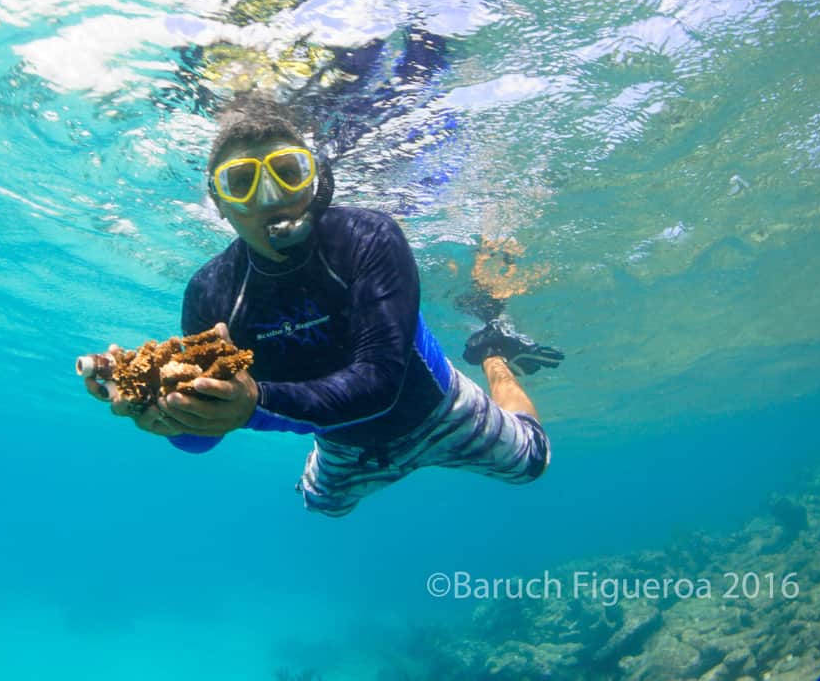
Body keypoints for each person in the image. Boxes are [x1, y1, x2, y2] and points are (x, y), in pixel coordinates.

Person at [84, 95, 563, 517]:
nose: (270, 197)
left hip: (441, 412)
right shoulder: (211, 293)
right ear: (219, 202)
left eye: (288, 173)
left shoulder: (368, 237)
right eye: (241, 182)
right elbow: (202, 438)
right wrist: (165, 411)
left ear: (314, 181)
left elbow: (380, 385)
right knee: (321, 507)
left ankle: (494, 355)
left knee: (534, 462)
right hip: (342, 444)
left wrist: (254, 405)